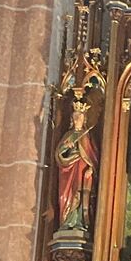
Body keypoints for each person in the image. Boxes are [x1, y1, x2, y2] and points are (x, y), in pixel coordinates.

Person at [55, 99, 98, 232]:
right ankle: (67, 221)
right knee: (67, 194)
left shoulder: (87, 136)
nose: (77, 120)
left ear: (84, 119)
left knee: (80, 194)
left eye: (80, 117)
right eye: (75, 117)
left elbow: (93, 156)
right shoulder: (69, 135)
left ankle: (80, 222)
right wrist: (65, 147)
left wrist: (91, 168)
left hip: (82, 168)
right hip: (69, 169)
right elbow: (59, 154)